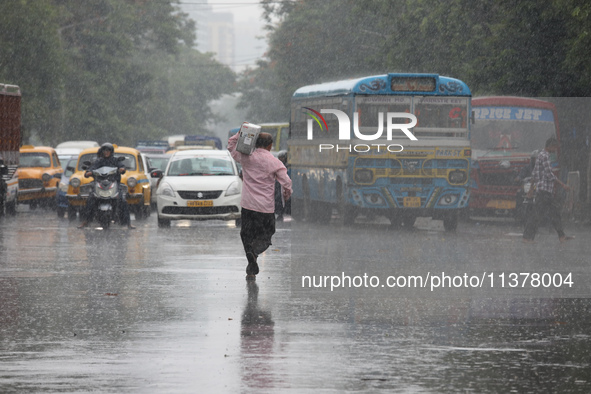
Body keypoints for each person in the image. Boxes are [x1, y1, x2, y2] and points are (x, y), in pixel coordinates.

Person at [228, 131, 292, 279]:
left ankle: (251, 259)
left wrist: (241, 133)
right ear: (270, 145)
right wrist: (286, 196)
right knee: (266, 234)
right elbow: (286, 183)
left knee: (246, 234)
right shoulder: (275, 162)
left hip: (248, 205)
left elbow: (231, 146)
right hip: (265, 208)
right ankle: (254, 253)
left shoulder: (246, 157)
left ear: (255, 143)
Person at [522, 137, 572, 243]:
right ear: (550, 146)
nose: (555, 150)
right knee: (538, 215)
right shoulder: (545, 156)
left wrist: (531, 189)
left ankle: (561, 236)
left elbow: (534, 173)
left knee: (552, 213)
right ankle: (527, 237)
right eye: (554, 148)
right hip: (544, 191)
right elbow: (550, 175)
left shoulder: (540, 155)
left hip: (544, 191)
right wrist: (563, 185)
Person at [78, 143, 135, 229]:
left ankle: (128, 223)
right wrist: (89, 172)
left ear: (111, 152)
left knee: (123, 200)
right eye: (105, 150)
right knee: (90, 200)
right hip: (99, 184)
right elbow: (92, 168)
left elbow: (122, 167)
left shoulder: (115, 161)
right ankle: (86, 221)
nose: (106, 152)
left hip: (113, 184)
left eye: (108, 150)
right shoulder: (99, 161)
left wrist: (122, 169)